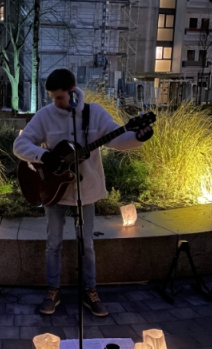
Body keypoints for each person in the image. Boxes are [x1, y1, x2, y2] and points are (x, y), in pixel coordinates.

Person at [13, 68, 153, 317]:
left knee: (87, 244)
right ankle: (53, 290)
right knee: (53, 243)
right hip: (53, 190)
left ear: (73, 91)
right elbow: (20, 145)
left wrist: (138, 138)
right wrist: (44, 155)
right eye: (53, 97)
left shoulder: (94, 113)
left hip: (85, 190)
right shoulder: (46, 115)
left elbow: (117, 140)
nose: (56, 102)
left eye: (60, 97)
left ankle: (90, 291)